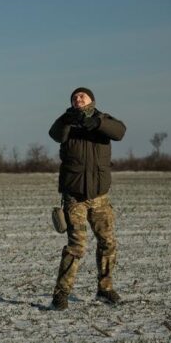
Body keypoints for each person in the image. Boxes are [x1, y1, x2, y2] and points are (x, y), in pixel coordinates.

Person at [48, 87, 126, 310]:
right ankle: (61, 295)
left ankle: (105, 289)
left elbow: (120, 132)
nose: (78, 98)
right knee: (76, 247)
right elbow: (55, 134)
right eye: (74, 97)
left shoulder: (104, 119)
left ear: (92, 99)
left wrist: (99, 123)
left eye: (82, 95)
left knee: (108, 243)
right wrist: (67, 118)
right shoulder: (67, 123)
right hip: (75, 198)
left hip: (100, 197)